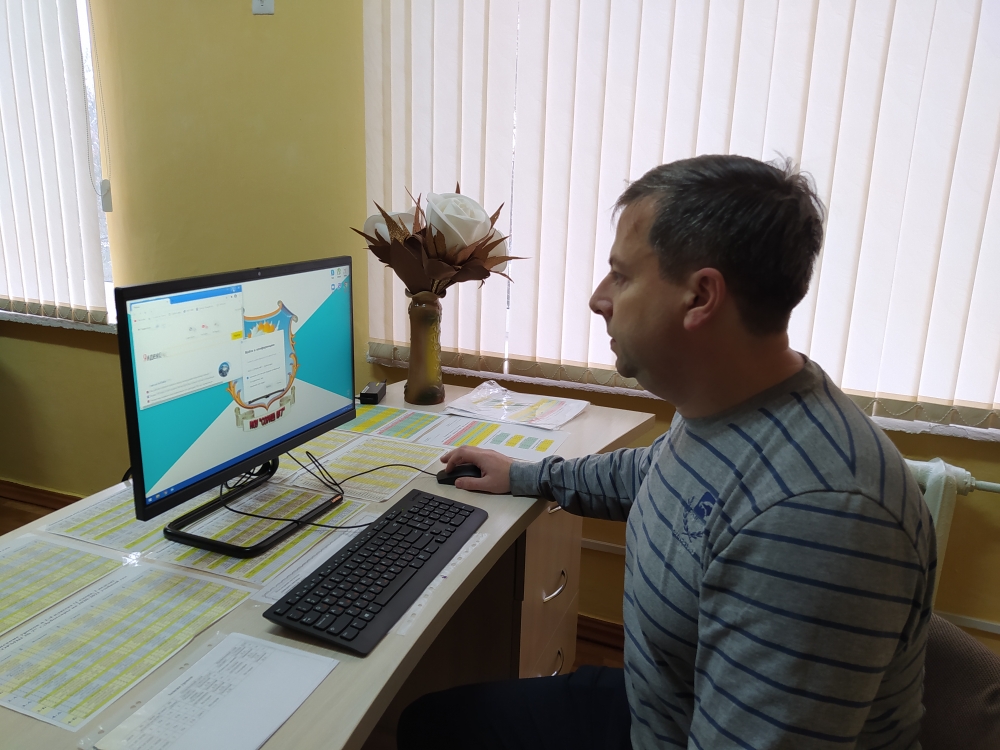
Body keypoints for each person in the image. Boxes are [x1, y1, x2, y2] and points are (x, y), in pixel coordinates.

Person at [397, 155, 935, 749]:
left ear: (700, 296)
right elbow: (654, 471)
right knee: (431, 723)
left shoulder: (815, 515)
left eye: (621, 276)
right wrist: (526, 475)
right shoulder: (725, 402)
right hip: (660, 704)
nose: (598, 298)